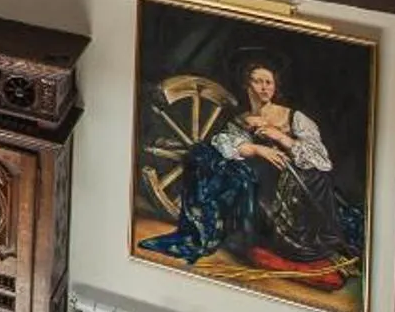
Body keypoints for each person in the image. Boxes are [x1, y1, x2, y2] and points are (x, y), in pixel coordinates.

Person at [142, 51, 360, 280]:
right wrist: (257, 149)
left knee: (307, 183)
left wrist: (278, 136)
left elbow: (322, 162)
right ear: (247, 85)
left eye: (269, 82)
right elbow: (227, 145)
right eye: (258, 81)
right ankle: (252, 231)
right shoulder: (242, 119)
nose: (265, 87)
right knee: (217, 162)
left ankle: (299, 241)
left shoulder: (294, 118)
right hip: (265, 190)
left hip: (301, 189)